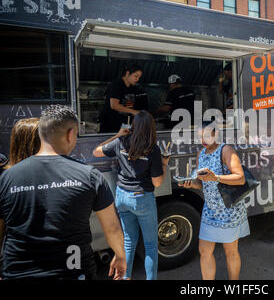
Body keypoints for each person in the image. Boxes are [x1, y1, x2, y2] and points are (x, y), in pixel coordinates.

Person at [0, 105, 126, 279]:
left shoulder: (7, 177)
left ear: (41, 133)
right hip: (73, 272)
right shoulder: (90, 176)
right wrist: (120, 256)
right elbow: (112, 228)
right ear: (70, 134)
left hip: (17, 273)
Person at [93, 110, 169, 280]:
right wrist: (164, 165)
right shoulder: (152, 150)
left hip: (121, 196)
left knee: (128, 241)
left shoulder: (121, 141)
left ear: (133, 127)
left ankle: (125, 277)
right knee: (150, 245)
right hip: (141, 198)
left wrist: (117, 135)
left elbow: (96, 152)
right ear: (151, 128)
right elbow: (157, 183)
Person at [179, 121, 249, 280]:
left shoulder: (226, 150)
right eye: (199, 137)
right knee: (204, 251)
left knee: (230, 251)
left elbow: (240, 178)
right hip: (210, 209)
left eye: (205, 136)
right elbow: (200, 183)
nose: (202, 141)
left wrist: (215, 177)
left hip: (228, 210)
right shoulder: (201, 154)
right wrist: (190, 184)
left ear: (215, 134)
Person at [99, 63, 148, 133]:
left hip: (124, 126)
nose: (137, 79)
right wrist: (133, 112)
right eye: (136, 76)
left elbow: (129, 105)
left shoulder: (131, 88)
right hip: (111, 126)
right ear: (127, 73)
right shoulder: (116, 85)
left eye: (139, 77)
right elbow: (114, 105)